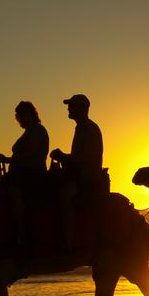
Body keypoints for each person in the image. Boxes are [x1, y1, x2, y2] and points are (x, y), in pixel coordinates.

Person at [50, 94, 104, 251]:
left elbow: (84, 159)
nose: (69, 108)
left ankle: (67, 240)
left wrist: (62, 156)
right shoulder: (83, 127)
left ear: (83, 108)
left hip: (87, 178)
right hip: (81, 175)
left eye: (72, 106)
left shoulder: (88, 128)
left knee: (64, 196)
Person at [0, 101, 49, 242]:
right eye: (19, 114)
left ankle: (23, 230)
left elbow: (30, 153)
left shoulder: (38, 130)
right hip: (21, 174)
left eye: (24, 113)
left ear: (32, 114)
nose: (21, 117)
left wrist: (8, 160)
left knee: (13, 192)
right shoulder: (27, 132)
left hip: (32, 174)